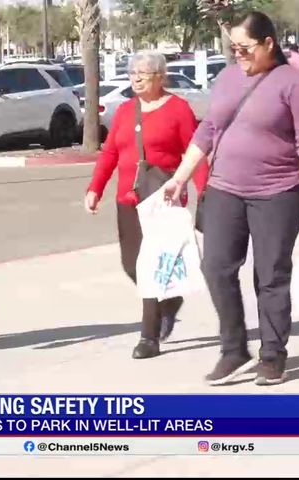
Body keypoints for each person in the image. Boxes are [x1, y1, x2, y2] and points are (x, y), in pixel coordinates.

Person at [161, 11, 299, 386]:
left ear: (269, 43)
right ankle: (234, 350)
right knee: (216, 268)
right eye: (233, 48)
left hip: (278, 193)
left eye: (245, 48)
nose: (238, 54)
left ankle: (272, 355)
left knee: (270, 275)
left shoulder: (292, 84)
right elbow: (209, 129)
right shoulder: (227, 78)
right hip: (224, 189)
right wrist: (180, 177)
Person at [84, 51, 208, 360]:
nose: (136, 78)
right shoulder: (126, 110)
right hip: (128, 200)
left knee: (151, 267)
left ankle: (148, 337)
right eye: (132, 73)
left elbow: (195, 152)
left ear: (161, 77)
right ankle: (169, 301)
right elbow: (110, 153)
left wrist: (205, 191)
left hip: (162, 200)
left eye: (143, 73)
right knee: (132, 265)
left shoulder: (178, 109)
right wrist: (95, 188)